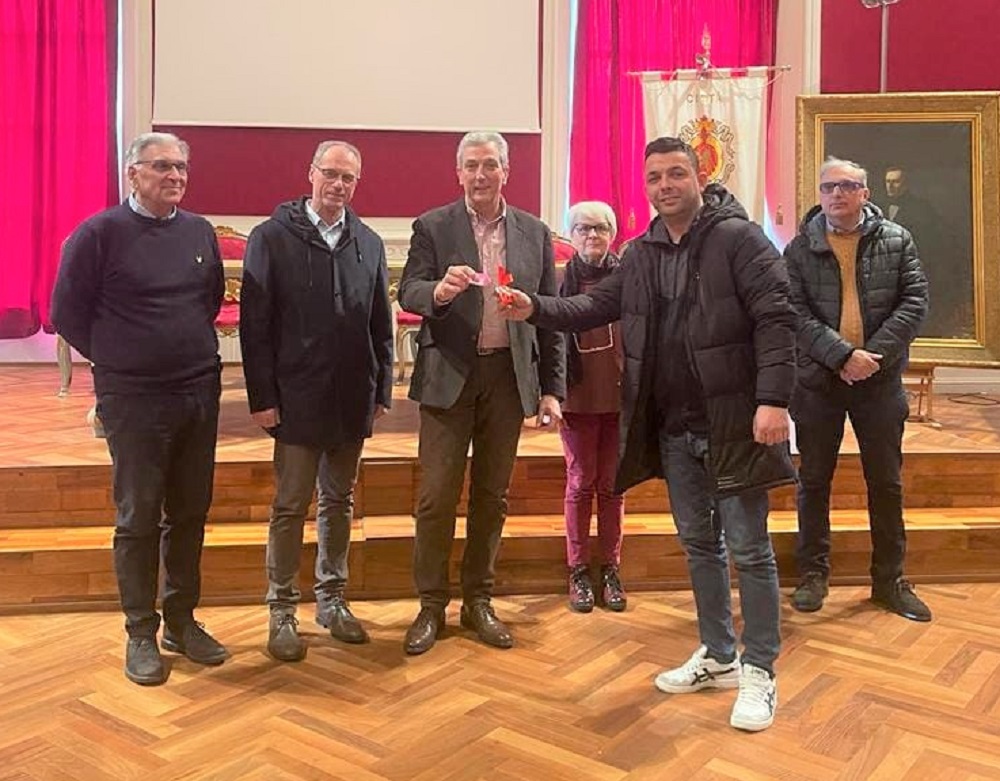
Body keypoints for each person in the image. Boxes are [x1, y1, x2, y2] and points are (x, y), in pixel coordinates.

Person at [500, 136, 796, 733]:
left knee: (749, 549)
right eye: (655, 177)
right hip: (673, 426)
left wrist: (773, 400)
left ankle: (760, 669)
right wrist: (531, 306)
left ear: (699, 176)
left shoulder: (740, 239)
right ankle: (719, 655)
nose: (665, 185)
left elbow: (777, 318)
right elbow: (591, 308)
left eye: (676, 173)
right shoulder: (641, 253)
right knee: (700, 546)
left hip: (735, 421)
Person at [51, 132, 228, 685]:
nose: (175, 176)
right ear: (133, 173)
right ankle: (140, 631)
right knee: (139, 515)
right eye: (162, 166)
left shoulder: (199, 232)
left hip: (197, 389)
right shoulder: (98, 234)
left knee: (191, 510)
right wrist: (120, 359)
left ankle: (181, 619)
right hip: (133, 397)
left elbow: (208, 300)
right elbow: (67, 313)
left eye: (182, 167)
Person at [397, 131, 565, 655]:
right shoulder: (432, 225)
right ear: (458, 173)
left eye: (490, 165)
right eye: (471, 166)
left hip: (507, 380)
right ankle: (431, 605)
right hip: (449, 376)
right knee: (436, 497)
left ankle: (478, 600)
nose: (480, 175)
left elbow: (549, 316)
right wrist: (440, 291)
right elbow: (409, 291)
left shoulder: (534, 232)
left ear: (506, 171)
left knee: (492, 497)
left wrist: (553, 390)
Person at [240, 141, 393, 662]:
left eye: (348, 178)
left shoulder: (368, 242)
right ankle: (282, 608)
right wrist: (262, 396)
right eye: (330, 174)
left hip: (351, 396)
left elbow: (380, 324)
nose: (338, 185)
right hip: (295, 395)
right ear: (311, 174)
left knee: (339, 501)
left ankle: (332, 600)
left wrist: (381, 389)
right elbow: (254, 326)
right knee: (290, 504)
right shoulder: (270, 237)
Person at [785, 157, 931, 622]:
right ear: (820, 194)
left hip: (879, 382)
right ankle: (813, 575)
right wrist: (842, 356)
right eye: (829, 187)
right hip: (819, 382)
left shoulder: (897, 240)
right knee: (814, 481)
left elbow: (915, 302)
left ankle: (890, 581)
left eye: (848, 186)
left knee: (885, 483)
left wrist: (871, 358)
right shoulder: (799, 248)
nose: (838, 194)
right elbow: (794, 312)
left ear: (865, 194)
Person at [559, 201, 626, 614]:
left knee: (613, 485)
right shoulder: (560, 282)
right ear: (571, 236)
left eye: (600, 228)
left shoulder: (628, 279)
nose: (592, 236)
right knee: (582, 481)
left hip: (620, 395)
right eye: (583, 229)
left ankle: (611, 568)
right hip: (577, 395)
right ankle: (579, 569)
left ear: (612, 234)